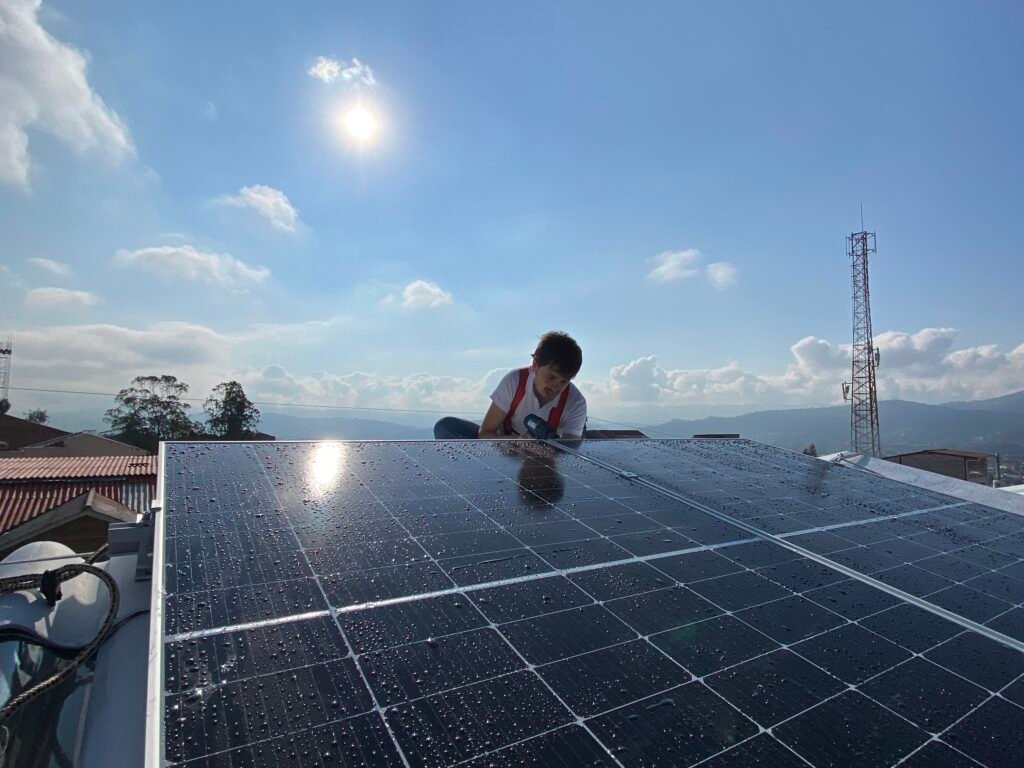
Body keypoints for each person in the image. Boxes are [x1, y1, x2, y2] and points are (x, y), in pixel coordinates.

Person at [434, 331, 587, 440]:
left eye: (564, 381)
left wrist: (541, 454)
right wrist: (516, 443)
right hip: (504, 449)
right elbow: (485, 433)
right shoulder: (514, 382)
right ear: (535, 365)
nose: (556, 386)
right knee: (446, 427)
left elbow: (569, 456)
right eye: (551, 376)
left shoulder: (576, 402)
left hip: (547, 462)